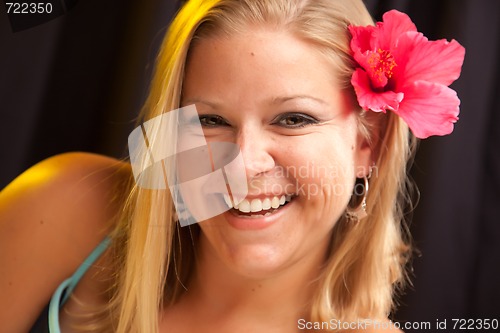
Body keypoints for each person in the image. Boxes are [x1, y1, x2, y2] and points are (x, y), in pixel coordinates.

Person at [0, 0, 464, 332]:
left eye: (293, 119)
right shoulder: (67, 205)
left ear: (370, 144)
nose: (243, 165)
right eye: (211, 121)